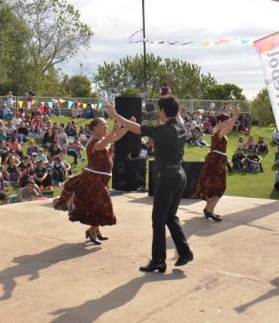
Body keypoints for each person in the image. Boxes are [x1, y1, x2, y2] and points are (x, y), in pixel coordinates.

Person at [106, 96, 194, 273]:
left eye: (160, 110)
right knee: (170, 217)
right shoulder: (180, 128)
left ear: (163, 111)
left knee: (158, 220)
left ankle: (158, 261)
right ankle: (185, 252)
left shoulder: (164, 130)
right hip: (179, 175)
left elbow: (137, 129)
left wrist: (115, 115)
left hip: (168, 177)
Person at [53, 117, 128, 245]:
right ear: (95, 128)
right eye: (103, 125)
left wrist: (127, 126)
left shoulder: (103, 140)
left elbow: (116, 137)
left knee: (96, 206)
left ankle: (96, 230)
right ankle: (92, 230)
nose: (106, 127)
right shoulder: (94, 143)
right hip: (93, 180)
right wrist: (114, 131)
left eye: (106, 125)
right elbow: (109, 139)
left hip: (101, 180)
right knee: (103, 205)